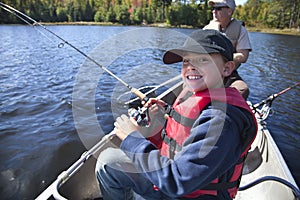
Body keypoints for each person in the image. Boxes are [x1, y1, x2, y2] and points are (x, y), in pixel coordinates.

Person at [95, 29, 257, 200]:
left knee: (108, 161)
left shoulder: (222, 120)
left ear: (226, 68)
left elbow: (177, 181)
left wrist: (133, 139)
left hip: (187, 193)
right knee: (110, 164)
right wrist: (161, 123)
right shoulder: (203, 99)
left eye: (202, 59)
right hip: (174, 181)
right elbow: (184, 139)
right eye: (186, 61)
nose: (191, 66)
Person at [203, 0, 252, 99]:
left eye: (218, 8)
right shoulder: (207, 29)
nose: (214, 11)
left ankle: (227, 111)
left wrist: (222, 58)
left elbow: (243, 56)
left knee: (242, 90)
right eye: (213, 8)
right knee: (187, 87)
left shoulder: (240, 30)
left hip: (228, 74)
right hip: (207, 72)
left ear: (229, 11)